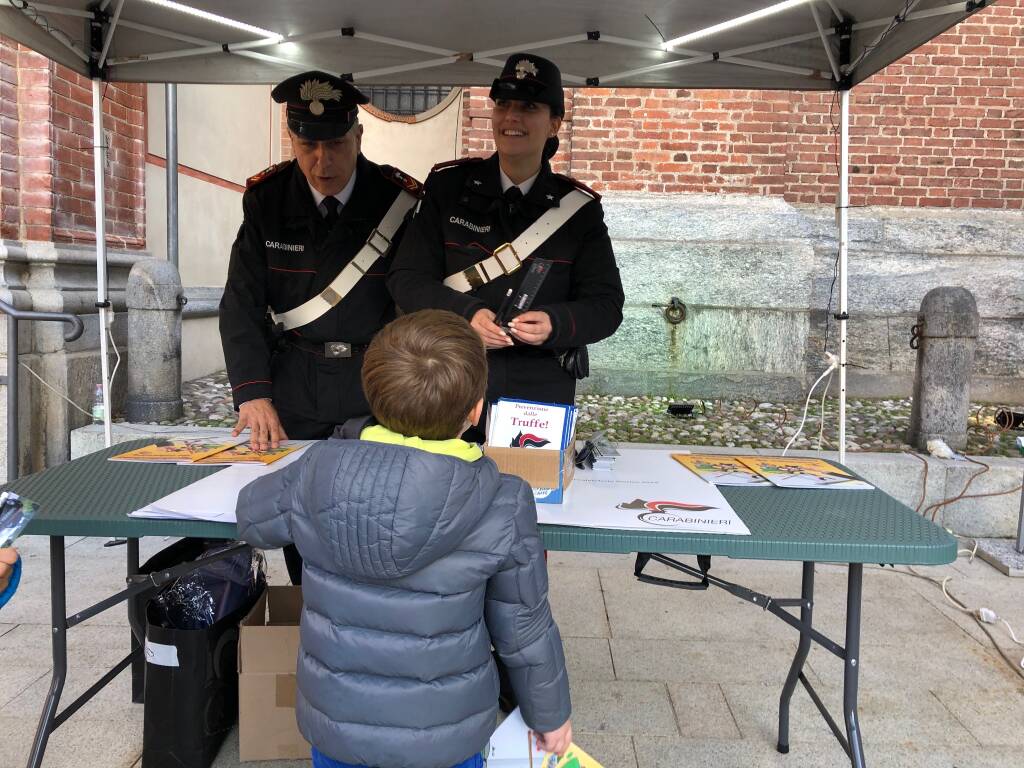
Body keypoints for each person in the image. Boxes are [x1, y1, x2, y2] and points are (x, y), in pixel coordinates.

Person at [236, 309, 572, 768]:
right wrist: (550, 716)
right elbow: (524, 627)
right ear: (476, 410)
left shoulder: (319, 469)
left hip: (336, 724)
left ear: (372, 395)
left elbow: (252, 518)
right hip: (446, 737)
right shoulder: (503, 500)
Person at [220, 70, 422, 584]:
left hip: (371, 381)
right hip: (295, 383)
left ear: (358, 135)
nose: (321, 161)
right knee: (298, 516)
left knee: (377, 511)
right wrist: (252, 393)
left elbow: (415, 301)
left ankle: (369, 615)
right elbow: (241, 303)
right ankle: (311, 614)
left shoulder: (396, 200)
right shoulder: (268, 200)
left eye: (335, 144)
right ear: (291, 138)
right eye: (307, 144)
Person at [388, 53, 624, 438]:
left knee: (532, 491)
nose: (511, 117)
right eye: (504, 104)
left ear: (554, 124)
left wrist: (555, 322)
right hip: (449, 377)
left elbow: (606, 306)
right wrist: (466, 314)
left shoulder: (577, 210)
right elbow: (406, 279)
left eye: (528, 107)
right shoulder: (449, 188)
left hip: (538, 386)